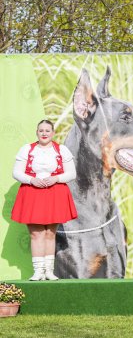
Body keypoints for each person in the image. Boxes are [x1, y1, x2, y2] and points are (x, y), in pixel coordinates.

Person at [11, 120, 78, 281]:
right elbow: (16, 172)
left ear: (53, 133)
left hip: (55, 193)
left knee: (50, 233)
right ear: (37, 132)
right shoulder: (27, 149)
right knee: (36, 234)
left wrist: (56, 178)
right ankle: (38, 271)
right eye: (41, 130)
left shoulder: (61, 150)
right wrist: (31, 180)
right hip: (32, 193)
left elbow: (71, 173)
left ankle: (49, 271)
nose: (44, 133)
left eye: (47, 130)